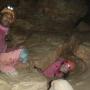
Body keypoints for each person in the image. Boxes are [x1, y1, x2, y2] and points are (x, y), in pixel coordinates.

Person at [0, 6, 29, 76]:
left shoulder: (10, 31)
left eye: (10, 18)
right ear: (0, 16)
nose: (7, 19)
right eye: (5, 16)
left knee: (22, 50)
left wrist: (18, 47)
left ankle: (9, 65)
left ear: (12, 21)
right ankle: (6, 68)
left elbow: (9, 44)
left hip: (3, 54)